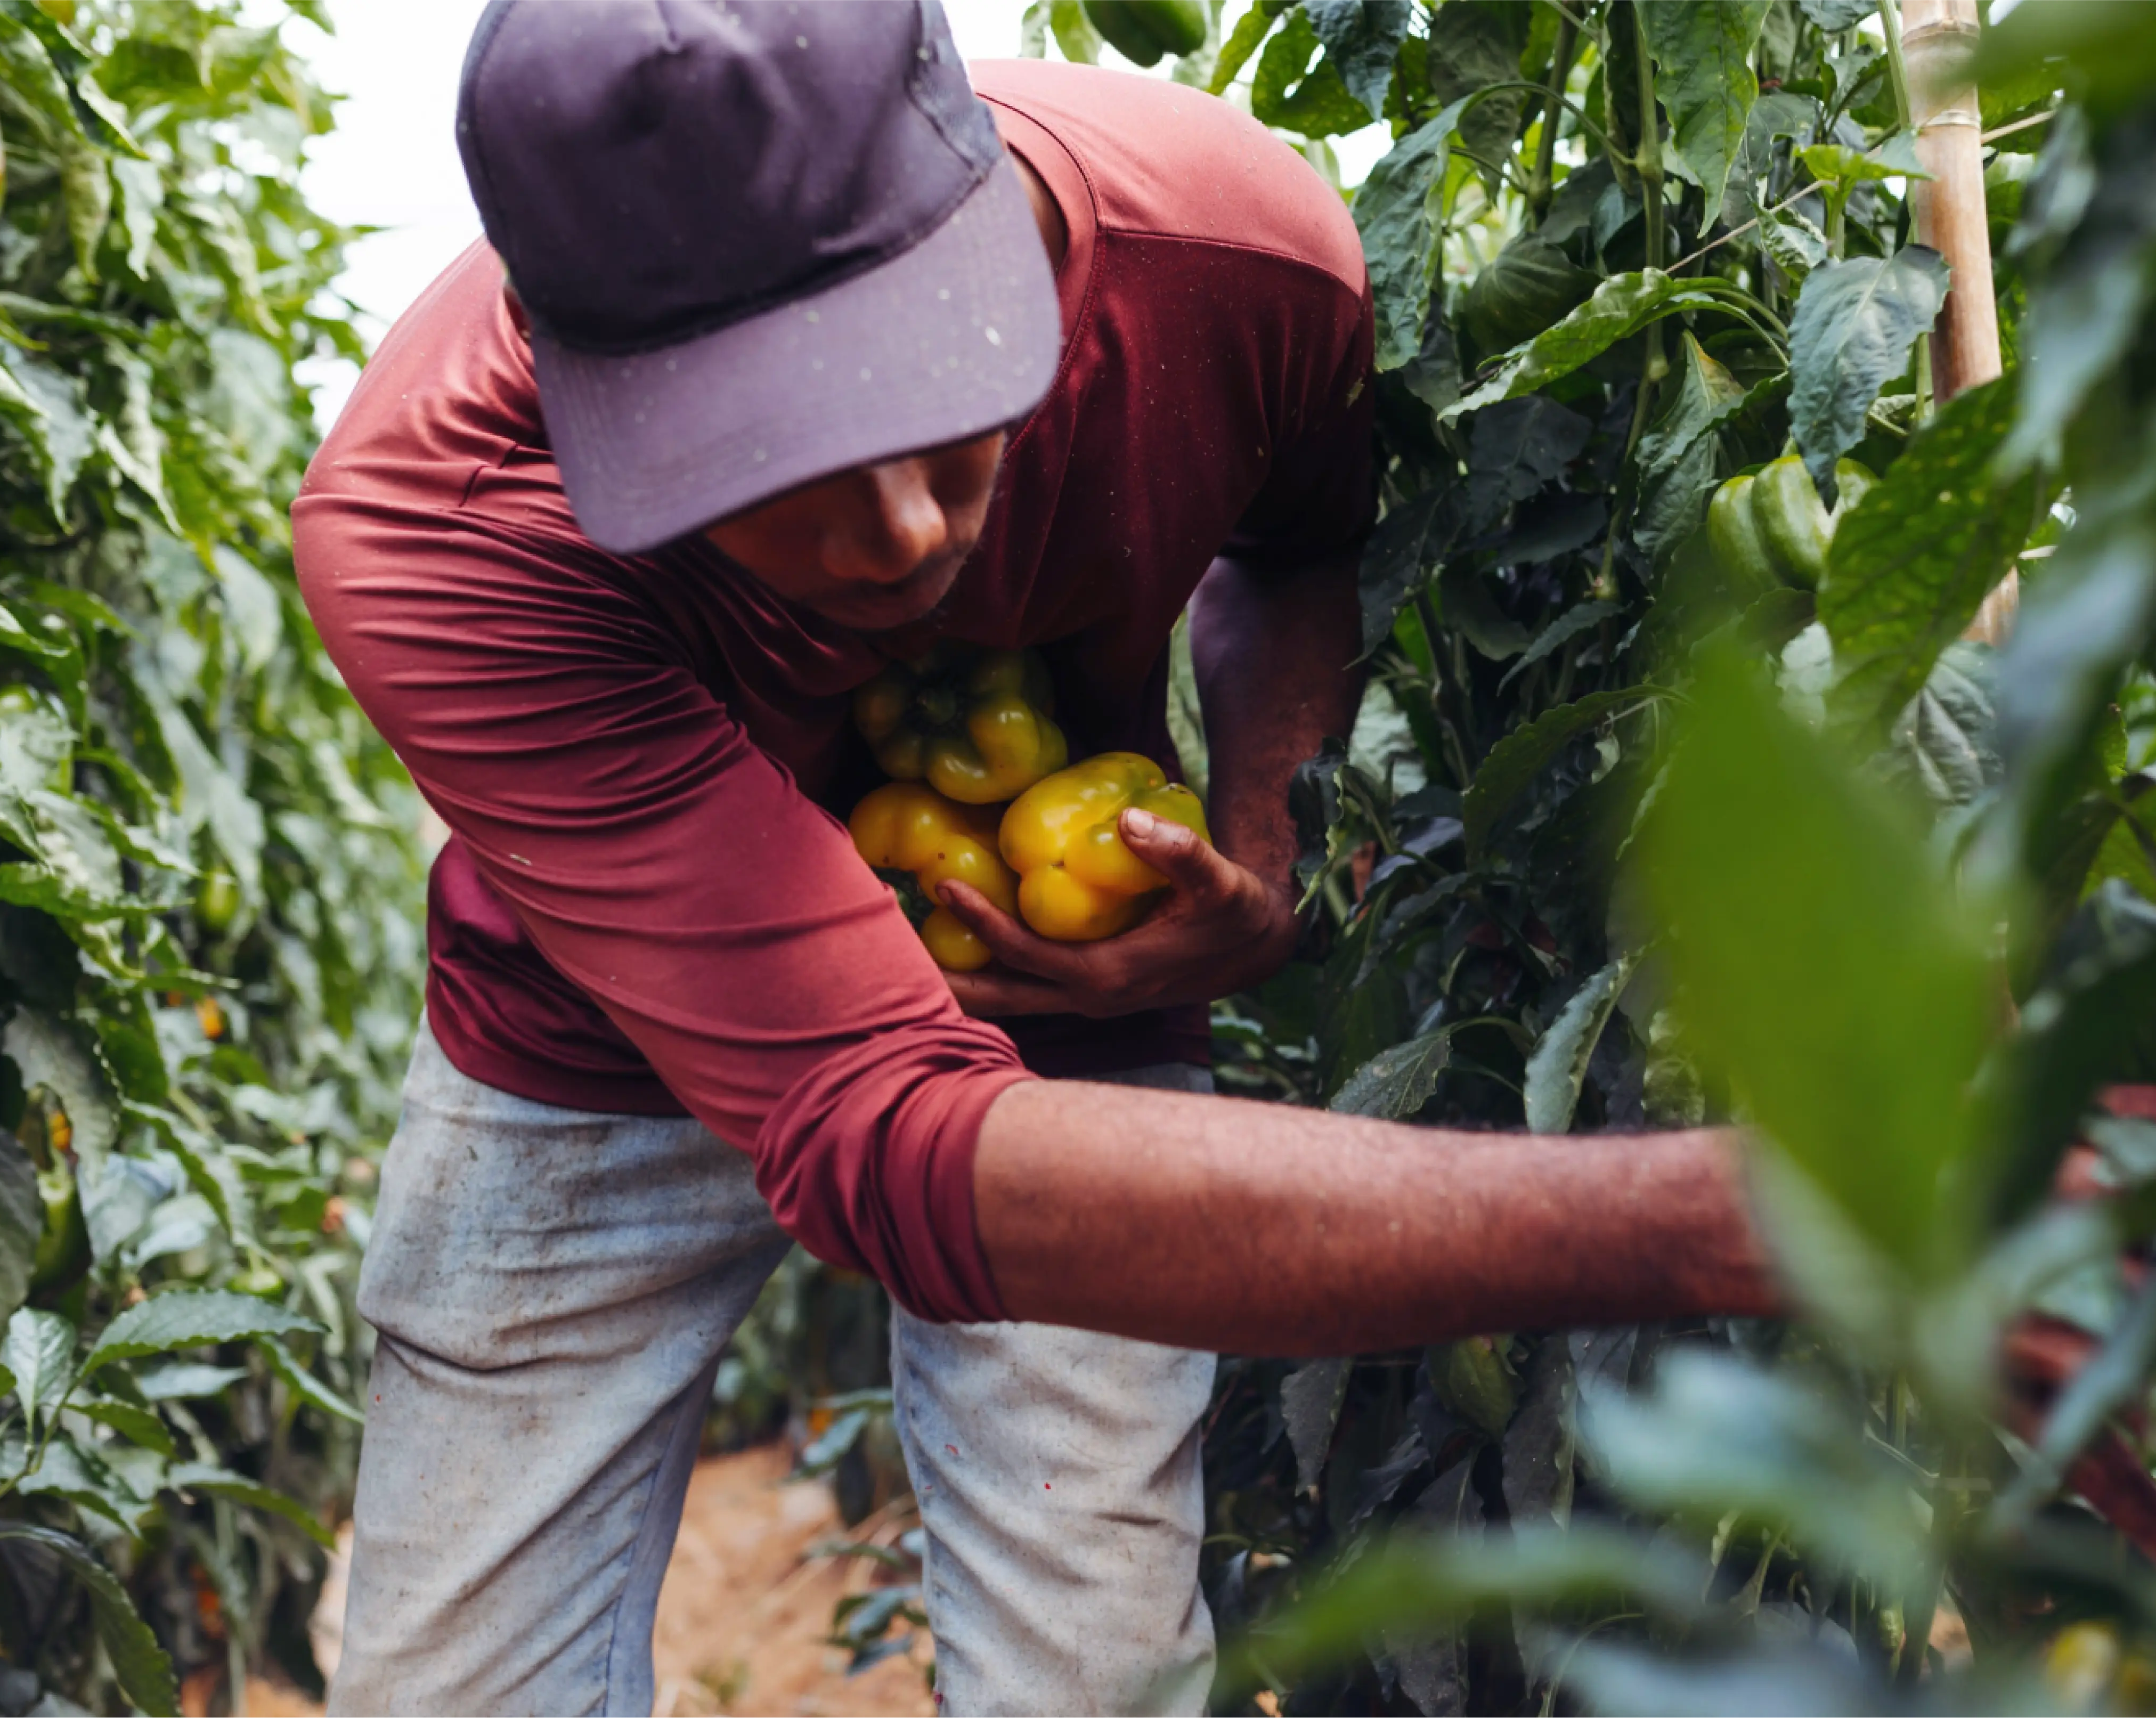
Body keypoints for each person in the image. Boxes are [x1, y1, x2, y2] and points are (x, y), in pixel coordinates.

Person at [287, 1, 1766, 1712]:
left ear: (983, 201)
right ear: (566, 372)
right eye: (767, 466)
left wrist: (1260, 855)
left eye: (933, 384)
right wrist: (1711, 1213)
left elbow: (1298, 552)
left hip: (1066, 992)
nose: (904, 532)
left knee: (1094, 1671)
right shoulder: (439, 522)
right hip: (598, 1032)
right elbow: (886, 1137)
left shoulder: (1231, 256)